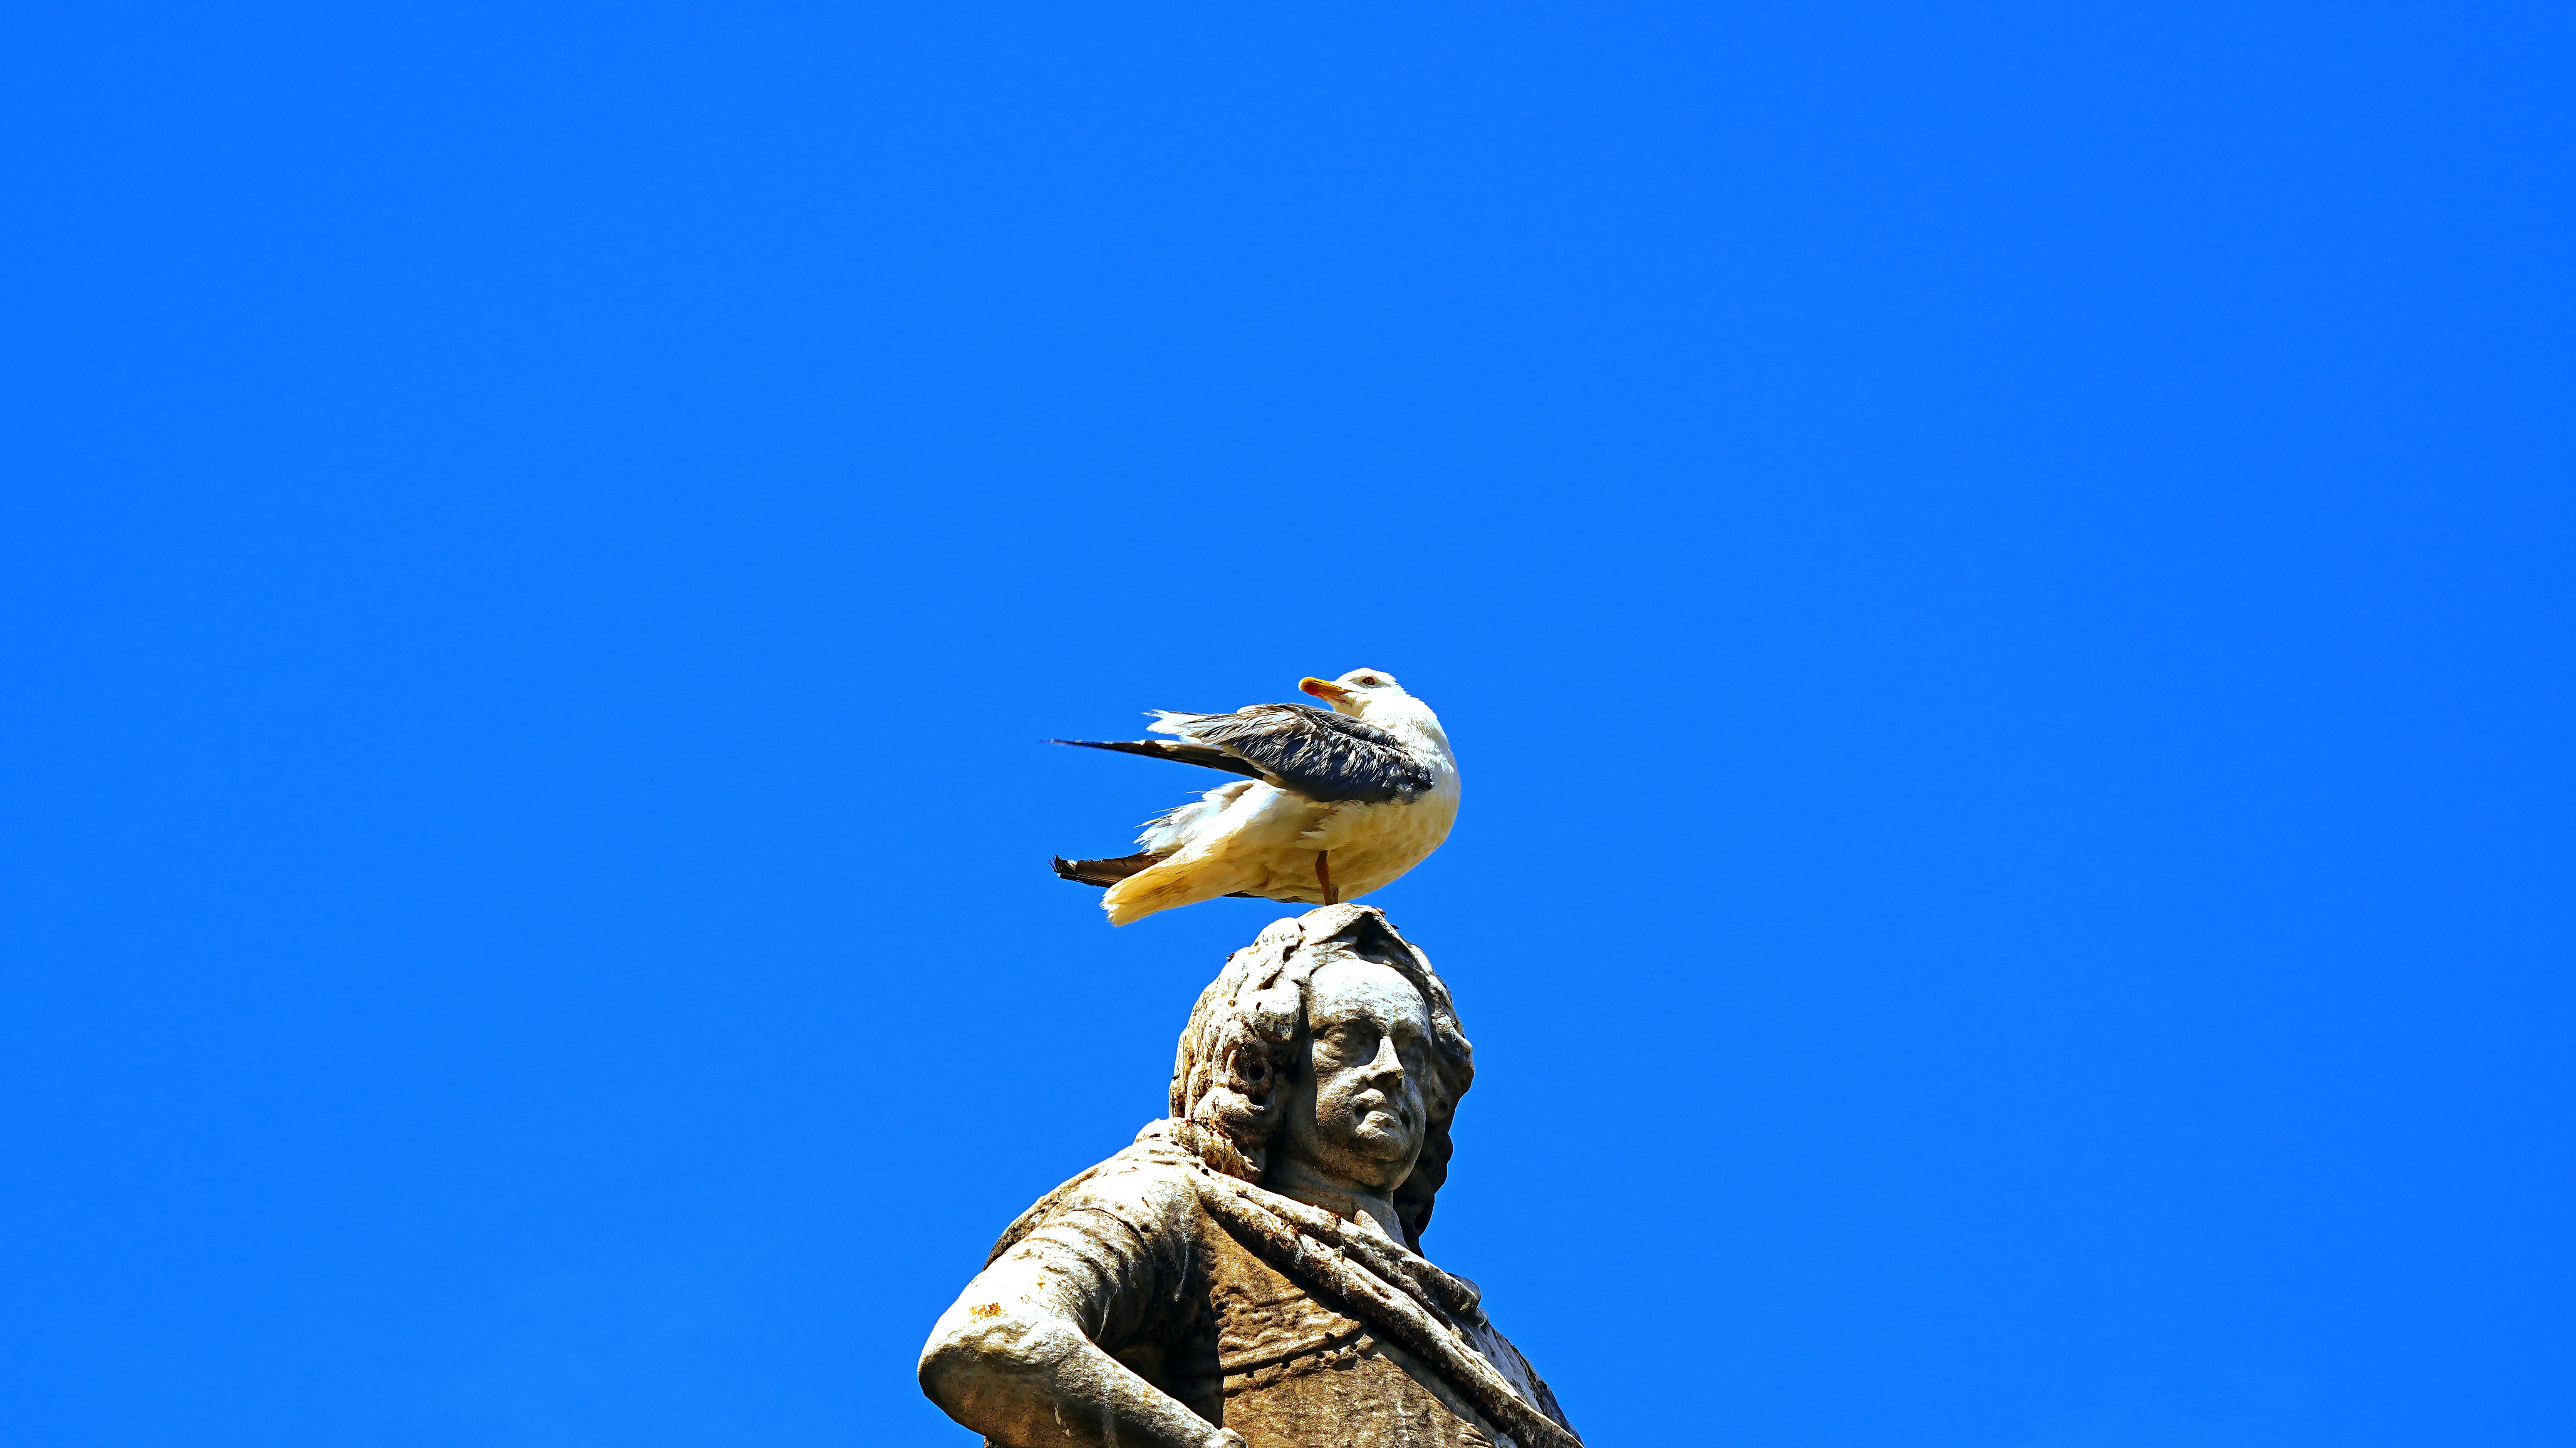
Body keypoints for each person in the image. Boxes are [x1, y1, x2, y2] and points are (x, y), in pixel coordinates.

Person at [920, 905, 1581, 1448]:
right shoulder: (1179, 1205)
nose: (1390, 1070)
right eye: (1352, 1039)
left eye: (1411, 1051)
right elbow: (988, 1338)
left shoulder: (1503, 1362)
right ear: (1269, 1065)